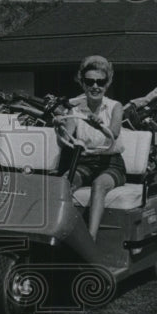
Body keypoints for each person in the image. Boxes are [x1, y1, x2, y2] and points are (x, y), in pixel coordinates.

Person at [60, 55, 125, 241]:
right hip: (84, 162)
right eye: (90, 81)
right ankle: (65, 232)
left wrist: (99, 125)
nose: (95, 86)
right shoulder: (75, 109)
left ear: (107, 83)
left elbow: (114, 132)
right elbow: (67, 137)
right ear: (82, 83)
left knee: (99, 185)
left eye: (100, 82)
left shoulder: (115, 107)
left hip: (110, 163)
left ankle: (90, 239)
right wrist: (59, 126)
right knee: (64, 183)